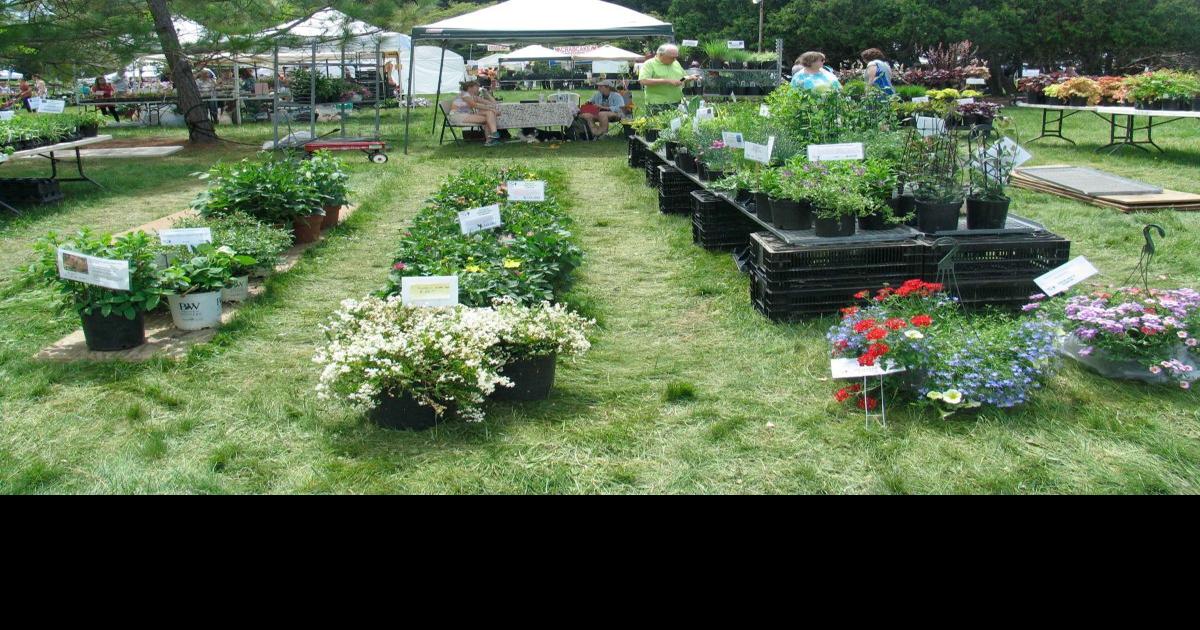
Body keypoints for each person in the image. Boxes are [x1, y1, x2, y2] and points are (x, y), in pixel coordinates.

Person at [638, 44, 698, 113]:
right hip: (657, 104)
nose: (674, 59)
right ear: (660, 55)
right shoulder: (649, 64)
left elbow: (682, 78)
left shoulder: (675, 63)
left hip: (677, 101)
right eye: (672, 57)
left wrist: (690, 77)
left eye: (676, 57)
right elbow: (643, 81)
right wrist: (667, 81)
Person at [451, 80, 503, 147]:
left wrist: (487, 94)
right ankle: (492, 138)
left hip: (467, 115)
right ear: (470, 87)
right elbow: (474, 105)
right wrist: (491, 109)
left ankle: (492, 138)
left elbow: (494, 103)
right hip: (458, 116)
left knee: (490, 115)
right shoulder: (464, 94)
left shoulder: (473, 96)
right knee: (490, 115)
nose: (479, 88)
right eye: (477, 87)